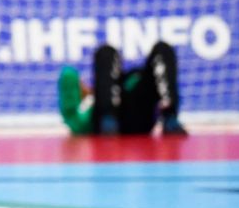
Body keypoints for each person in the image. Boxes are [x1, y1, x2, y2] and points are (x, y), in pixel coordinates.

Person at [58, 41, 188, 136]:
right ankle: (108, 119)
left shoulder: (94, 95)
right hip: (113, 115)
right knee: (106, 52)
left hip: (141, 109)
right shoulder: (83, 111)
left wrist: (90, 91)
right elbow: (68, 75)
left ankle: (170, 116)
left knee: (162, 48)